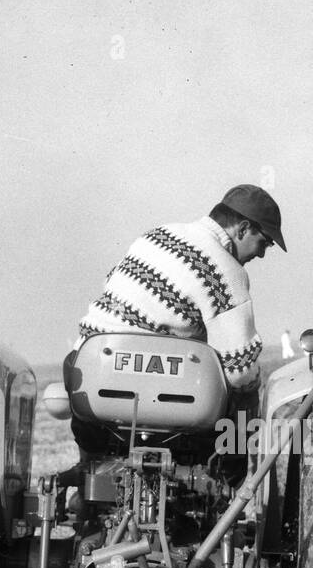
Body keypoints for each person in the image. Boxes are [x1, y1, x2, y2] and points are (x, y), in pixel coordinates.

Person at [65, 184, 285, 465]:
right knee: (244, 400)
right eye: (264, 242)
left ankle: (88, 469)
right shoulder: (227, 272)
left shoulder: (156, 235)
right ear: (242, 229)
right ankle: (230, 488)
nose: (262, 254)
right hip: (167, 393)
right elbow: (239, 369)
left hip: (93, 378)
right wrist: (254, 384)